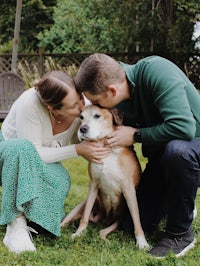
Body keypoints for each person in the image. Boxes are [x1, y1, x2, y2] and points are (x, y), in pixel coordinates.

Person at [74, 53, 200, 258]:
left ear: (111, 91)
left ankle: (181, 233)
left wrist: (136, 135)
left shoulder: (158, 72)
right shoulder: (119, 95)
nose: (97, 105)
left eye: (97, 100)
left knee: (177, 151)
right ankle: (179, 202)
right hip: (164, 161)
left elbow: (184, 128)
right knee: (131, 223)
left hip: (192, 149)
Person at [0, 70, 110, 253]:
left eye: (80, 98)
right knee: (21, 148)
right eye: (74, 105)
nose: (82, 107)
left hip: (34, 161)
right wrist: (77, 149)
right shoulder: (30, 103)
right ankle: (16, 225)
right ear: (53, 109)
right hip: (7, 156)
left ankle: (36, 219)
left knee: (61, 179)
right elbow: (34, 153)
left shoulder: (84, 108)